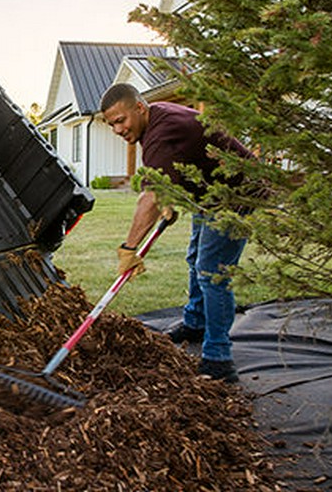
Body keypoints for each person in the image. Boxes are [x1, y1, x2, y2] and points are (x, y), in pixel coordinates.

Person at [100, 83, 253, 384]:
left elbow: (150, 197)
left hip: (235, 195)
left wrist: (129, 247)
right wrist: (174, 197)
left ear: (139, 108)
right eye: (111, 124)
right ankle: (196, 322)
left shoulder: (159, 134)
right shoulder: (156, 120)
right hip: (210, 194)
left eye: (121, 120)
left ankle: (219, 358)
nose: (117, 129)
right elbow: (184, 160)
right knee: (196, 256)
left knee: (212, 272)